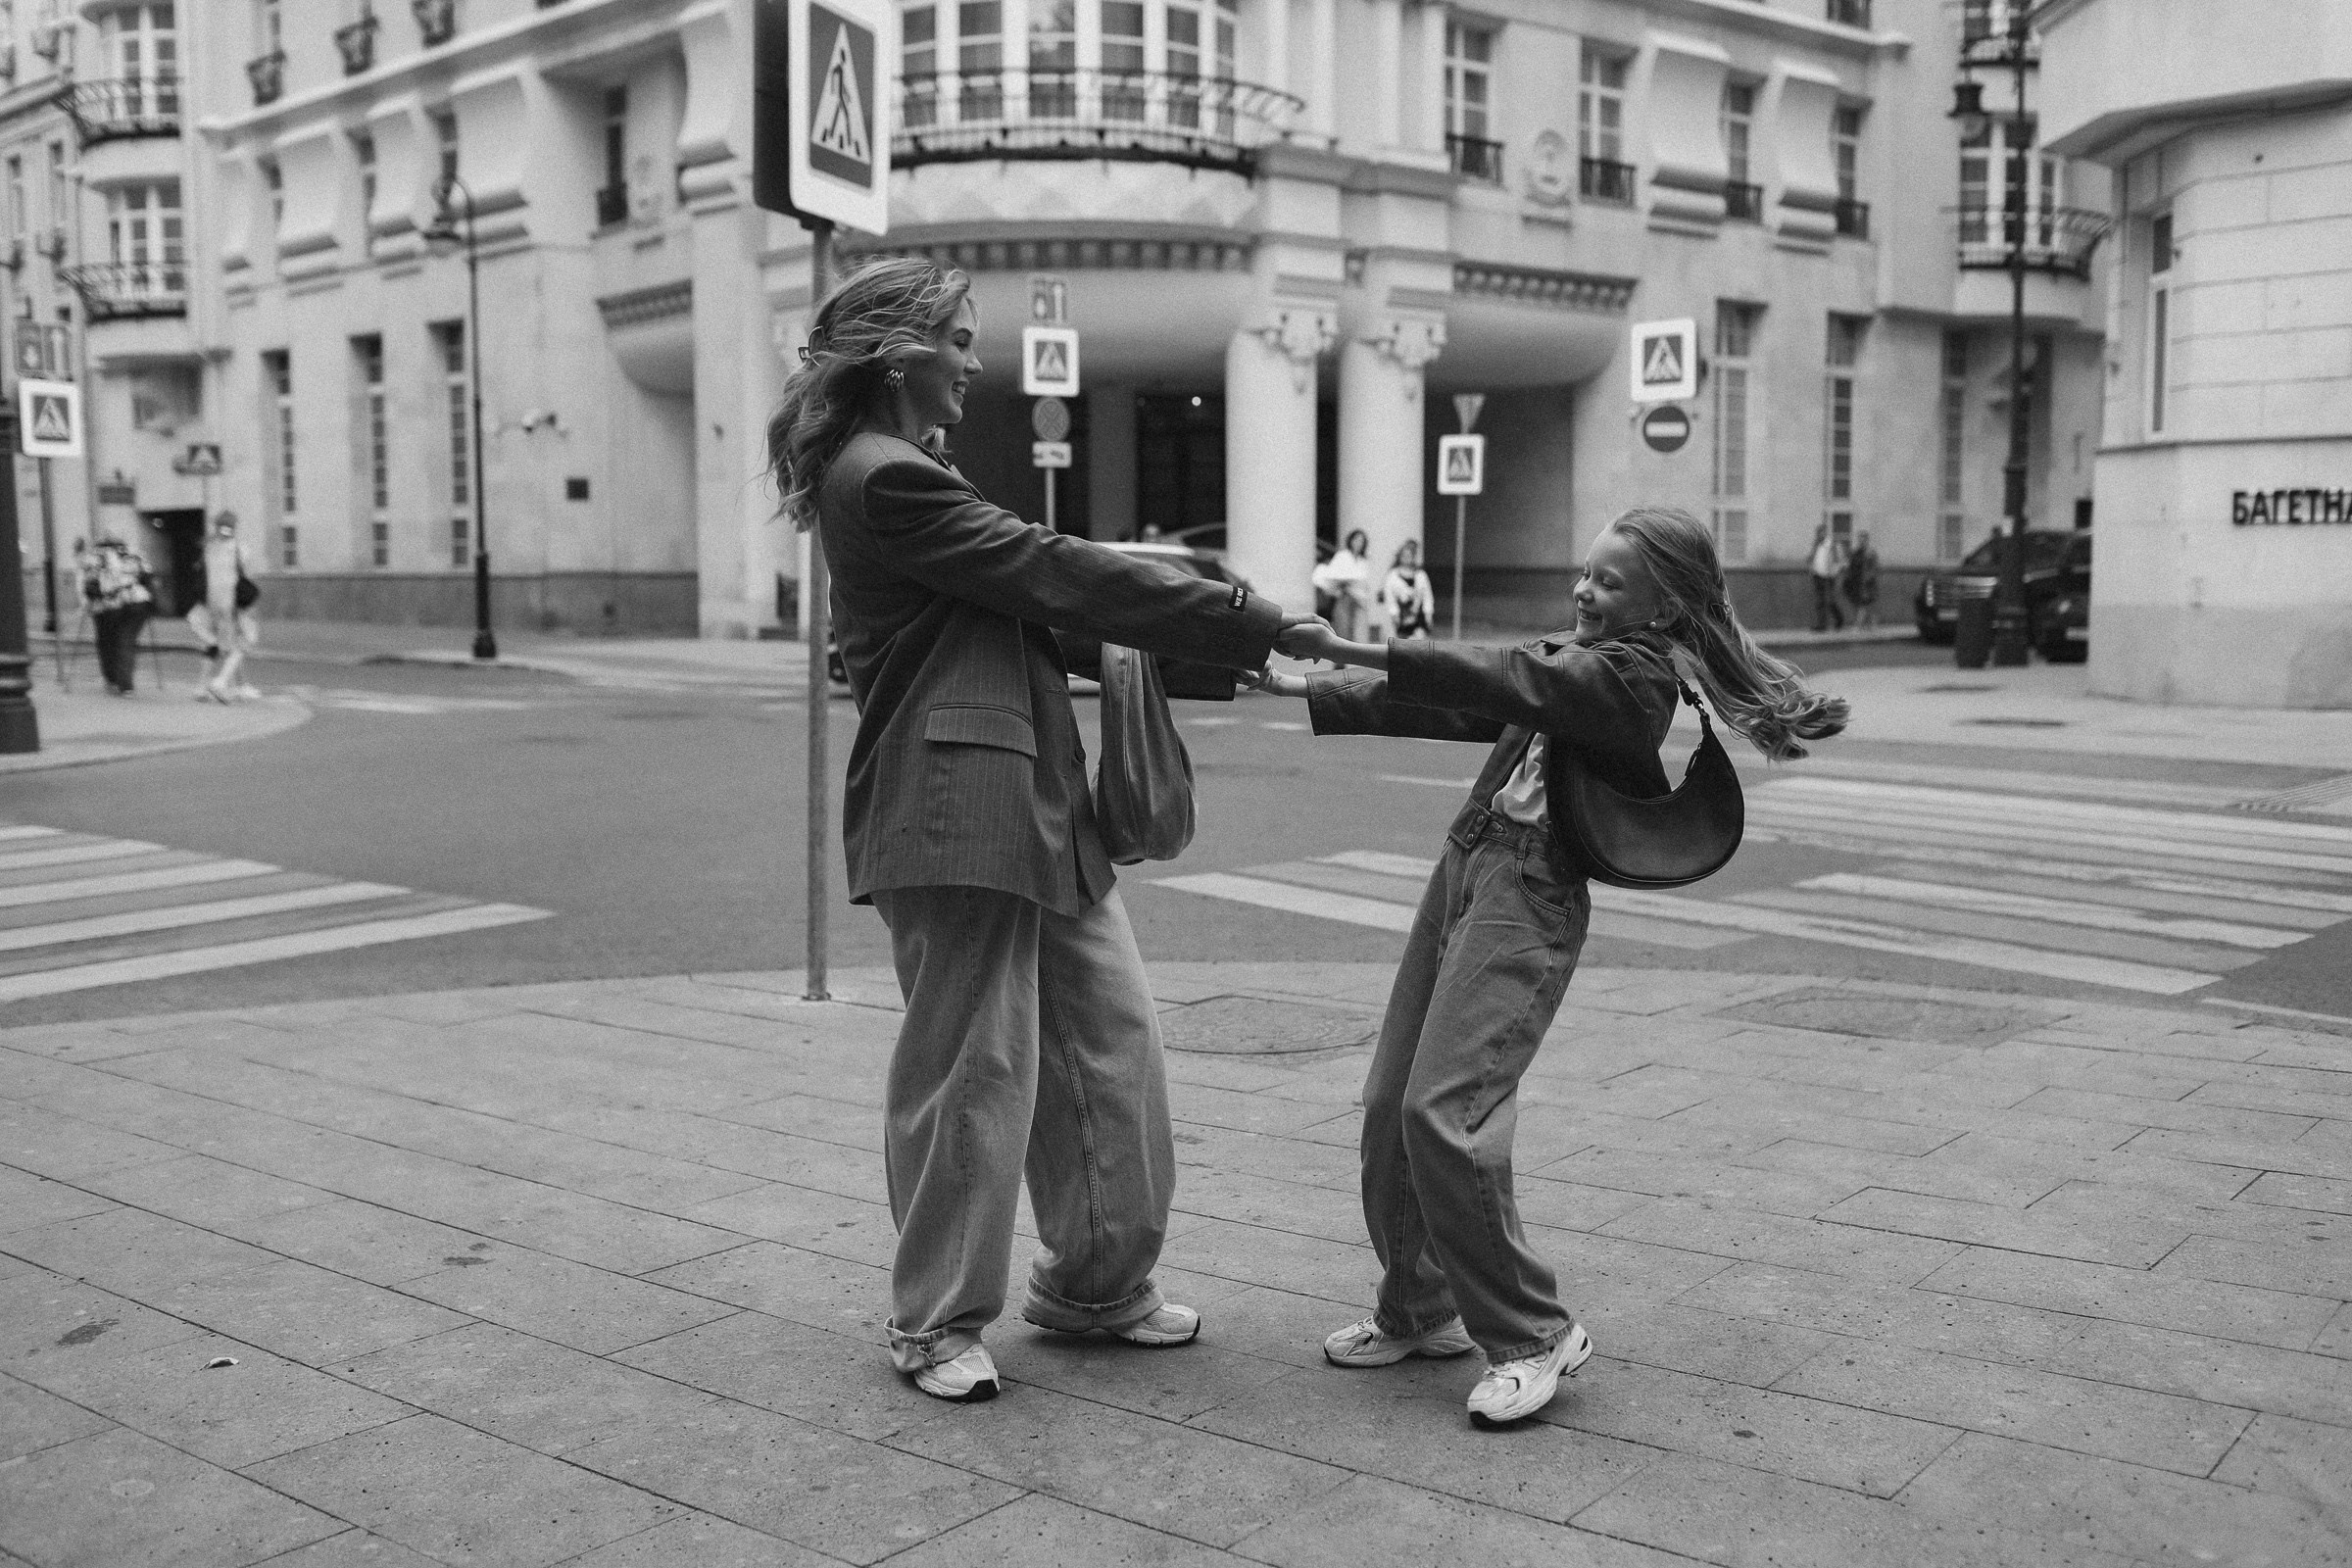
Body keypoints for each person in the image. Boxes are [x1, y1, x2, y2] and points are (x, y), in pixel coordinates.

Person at [768, 257, 1316, 1404]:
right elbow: (1052, 572)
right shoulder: (884, 481)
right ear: (898, 352)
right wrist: (1246, 617)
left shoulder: (918, 473)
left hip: (1038, 803)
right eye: (960, 339)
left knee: (1110, 1045)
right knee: (974, 1072)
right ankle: (933, 1321)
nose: (976, 360)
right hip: (953, 805)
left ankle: (1097, 1283)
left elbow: (1043, 620)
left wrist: (1243, 665)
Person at [1250, 506, 1846, 1427]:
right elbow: (1470, 698)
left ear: (1662, 606)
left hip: (1531, 894)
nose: (1584, 590)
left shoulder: (1633, 680)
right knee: (1388, 1102)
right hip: (1471, 860)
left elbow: (1506, 675)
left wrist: (1360, 649)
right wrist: (1316, 691)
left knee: (1444, 1109)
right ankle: (1418, 1307)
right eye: (1586, 573)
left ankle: (1534, 1334)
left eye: (1609, 583)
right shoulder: (1575, 658)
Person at [187, 511, 262, 703]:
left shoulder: (208, 548)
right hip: (232, 603)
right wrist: (249, 604)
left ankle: (210, 686)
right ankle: (220, 683)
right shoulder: (239, 548)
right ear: (235, 527)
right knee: (243, 641)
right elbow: (246, 577)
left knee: (219, 644)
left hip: (210, 603)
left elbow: (202, 575)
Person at [80, 535, 155, 696]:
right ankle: (125, 685)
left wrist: (90, 600)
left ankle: (113, 680)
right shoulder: (134, 556)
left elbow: (89, 585)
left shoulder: (95, 558)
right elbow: (148, 577)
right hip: (138, 602)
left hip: (107, 606)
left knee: (107, 642)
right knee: (126, 641)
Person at [1312, 529, 1374, 643]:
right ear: (1351, 540)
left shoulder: (1363, 561)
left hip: (1359, 600)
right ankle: (1340, 658)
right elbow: (1333, 576)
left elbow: (1364, 583)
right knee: (1343, 629)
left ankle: (1357, 658)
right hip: (1345, 597)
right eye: (1356, 540)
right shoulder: (1342, 556)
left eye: (1361, 541)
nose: (1358, 543)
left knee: (1358, 632)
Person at [1377, 540, 1437, 640]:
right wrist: (1394, 614)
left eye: (1409, 555)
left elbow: (1427, 596)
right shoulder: (1393, 575)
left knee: (1418, 640)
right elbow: (1389, 597)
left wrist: (1428, 613)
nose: (1407, 558)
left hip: (1417, 614)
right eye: (1404, 555)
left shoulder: (1420, 575)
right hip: (1400, 615)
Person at [1808, 523, 1847, 632]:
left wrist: (1836, 572)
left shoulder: (1832, 545)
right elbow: (1813, 558)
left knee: (1830, 600)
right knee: (1820, 601)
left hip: (1829, 577)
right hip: (1818, 576)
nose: (1820, 534)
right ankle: (1821, 625)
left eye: (1822, 532)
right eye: (1818, 532)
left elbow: (1841, 561)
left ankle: (1839, 619)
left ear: (1825, 533)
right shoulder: (1816, 545)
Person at [1842, 529, 1881, 631]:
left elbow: (1874, 568)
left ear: (1867, 540)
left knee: (1865, 604)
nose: (1861, 542)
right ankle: (1871, 625)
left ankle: (1860, 626)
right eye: (1859, 540)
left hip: (1867, 583)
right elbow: (1851, 565)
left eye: (1863, 540)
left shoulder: (1870, 553)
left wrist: (1868, 578)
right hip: (1857, 582)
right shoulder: (1856, 552)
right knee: (1864, 604)